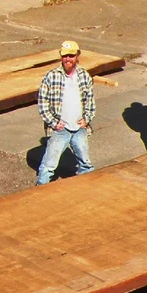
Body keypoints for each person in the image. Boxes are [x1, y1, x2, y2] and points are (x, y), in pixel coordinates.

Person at [35, 40, 96, 185]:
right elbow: (43, 104)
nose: (68, 59)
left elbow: (90, 100)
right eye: (65, 56)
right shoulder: (51, 76)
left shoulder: (84, 76)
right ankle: (38, 191)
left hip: (79, 127)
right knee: (49, 166)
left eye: (71, 55)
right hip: (59, 129)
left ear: (77, 56)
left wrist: (86, 119)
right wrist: (54, 123)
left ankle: (86, 188)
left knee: (85, 162)